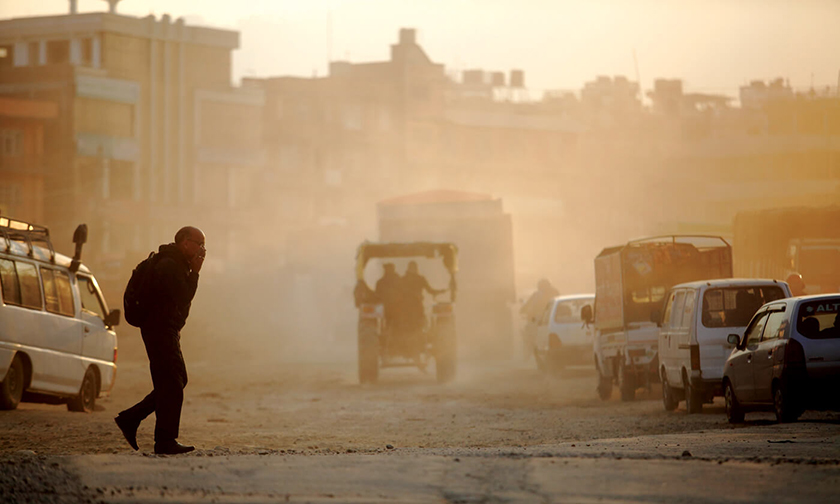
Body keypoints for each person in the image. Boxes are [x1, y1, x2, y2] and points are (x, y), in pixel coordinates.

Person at [115, 226, 205, 455]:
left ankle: (133, 419)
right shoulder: (169, 265)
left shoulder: (173, 262)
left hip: (163, 328)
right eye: (199, 243)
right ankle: (163, 439)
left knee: (173, 382)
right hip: (160, 329)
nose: (202, 249)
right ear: (185, 242)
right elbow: (183, 297)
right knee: (174, 383)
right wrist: (195, 273)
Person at [400, 261, 447, 333]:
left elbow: (397, 292)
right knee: (420, 318)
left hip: (405, 306)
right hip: (417, 304)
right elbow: (430, 290)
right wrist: (440, 291)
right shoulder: (420, 278)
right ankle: (421, 329)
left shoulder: (403, 279)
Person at [375, 263, 402, 329]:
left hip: (388, 307)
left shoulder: (380, 282)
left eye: (387, 269)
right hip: (395, 307)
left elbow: (377, 295)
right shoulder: (399, 280)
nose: (386, 271)